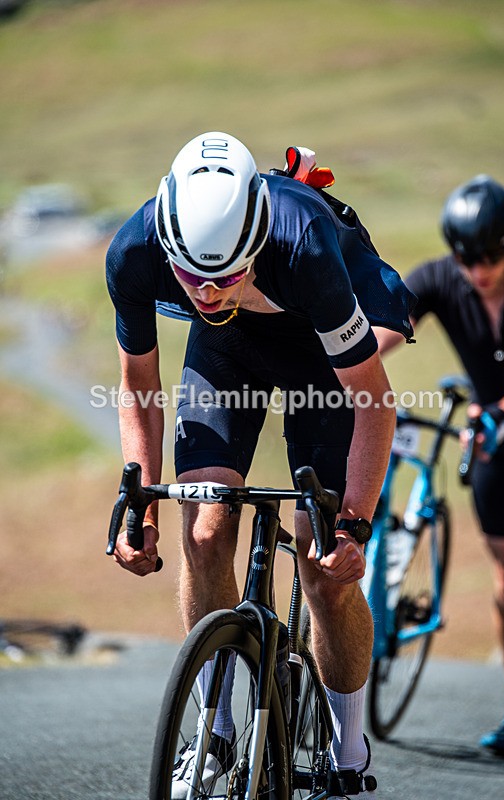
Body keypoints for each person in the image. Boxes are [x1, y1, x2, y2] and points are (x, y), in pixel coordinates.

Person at [106, 132, 415, 797]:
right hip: (229, 352)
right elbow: (139, 386)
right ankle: (214, 733)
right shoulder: (134, 251)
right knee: (206, 529)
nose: (208, 292)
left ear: (254, 241)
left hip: (319, 349)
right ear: (169, 247)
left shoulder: (302, 243)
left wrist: (353, 526)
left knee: (321, 565)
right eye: (193, 278)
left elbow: (373, 402)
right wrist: (140, 502)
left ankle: (350, 749)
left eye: (226, 275)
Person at [376, 174, 504, 757]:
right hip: (498, 451)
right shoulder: (442, 280)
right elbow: (379, 334)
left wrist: (499, 416)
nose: (479, 269)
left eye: (490, 255)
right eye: (467, 257)